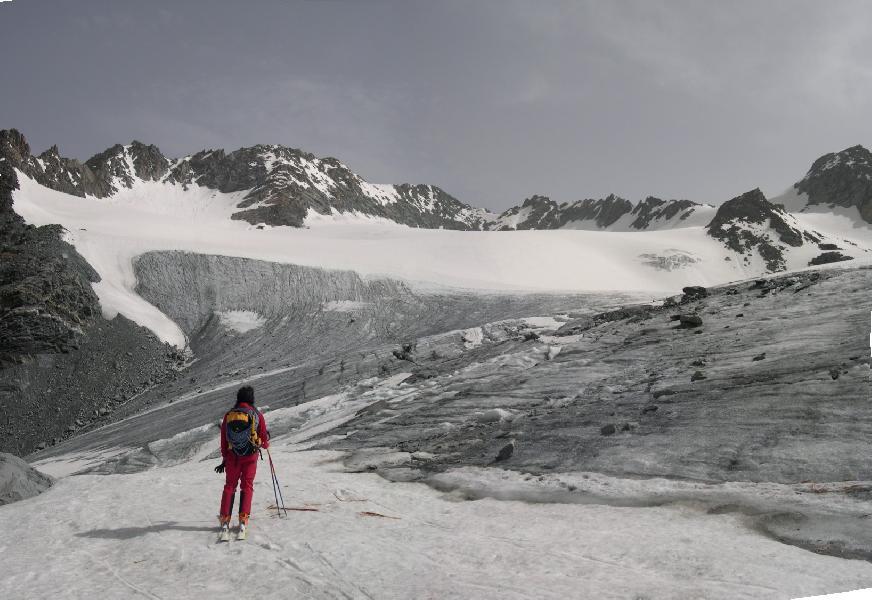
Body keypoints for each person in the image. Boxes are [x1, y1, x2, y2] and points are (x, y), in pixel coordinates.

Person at [215, 385, 269, 539]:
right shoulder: (256, 414)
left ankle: (225, 520)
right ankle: (243, 520)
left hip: (232, 457)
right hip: (250, 457)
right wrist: (265, 444)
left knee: (230, 486)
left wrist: (225, 457)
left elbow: (224, 439)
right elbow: (264, 439)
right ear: (251, 398)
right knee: (247, 486)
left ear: (238, 398)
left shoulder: (229, 415)